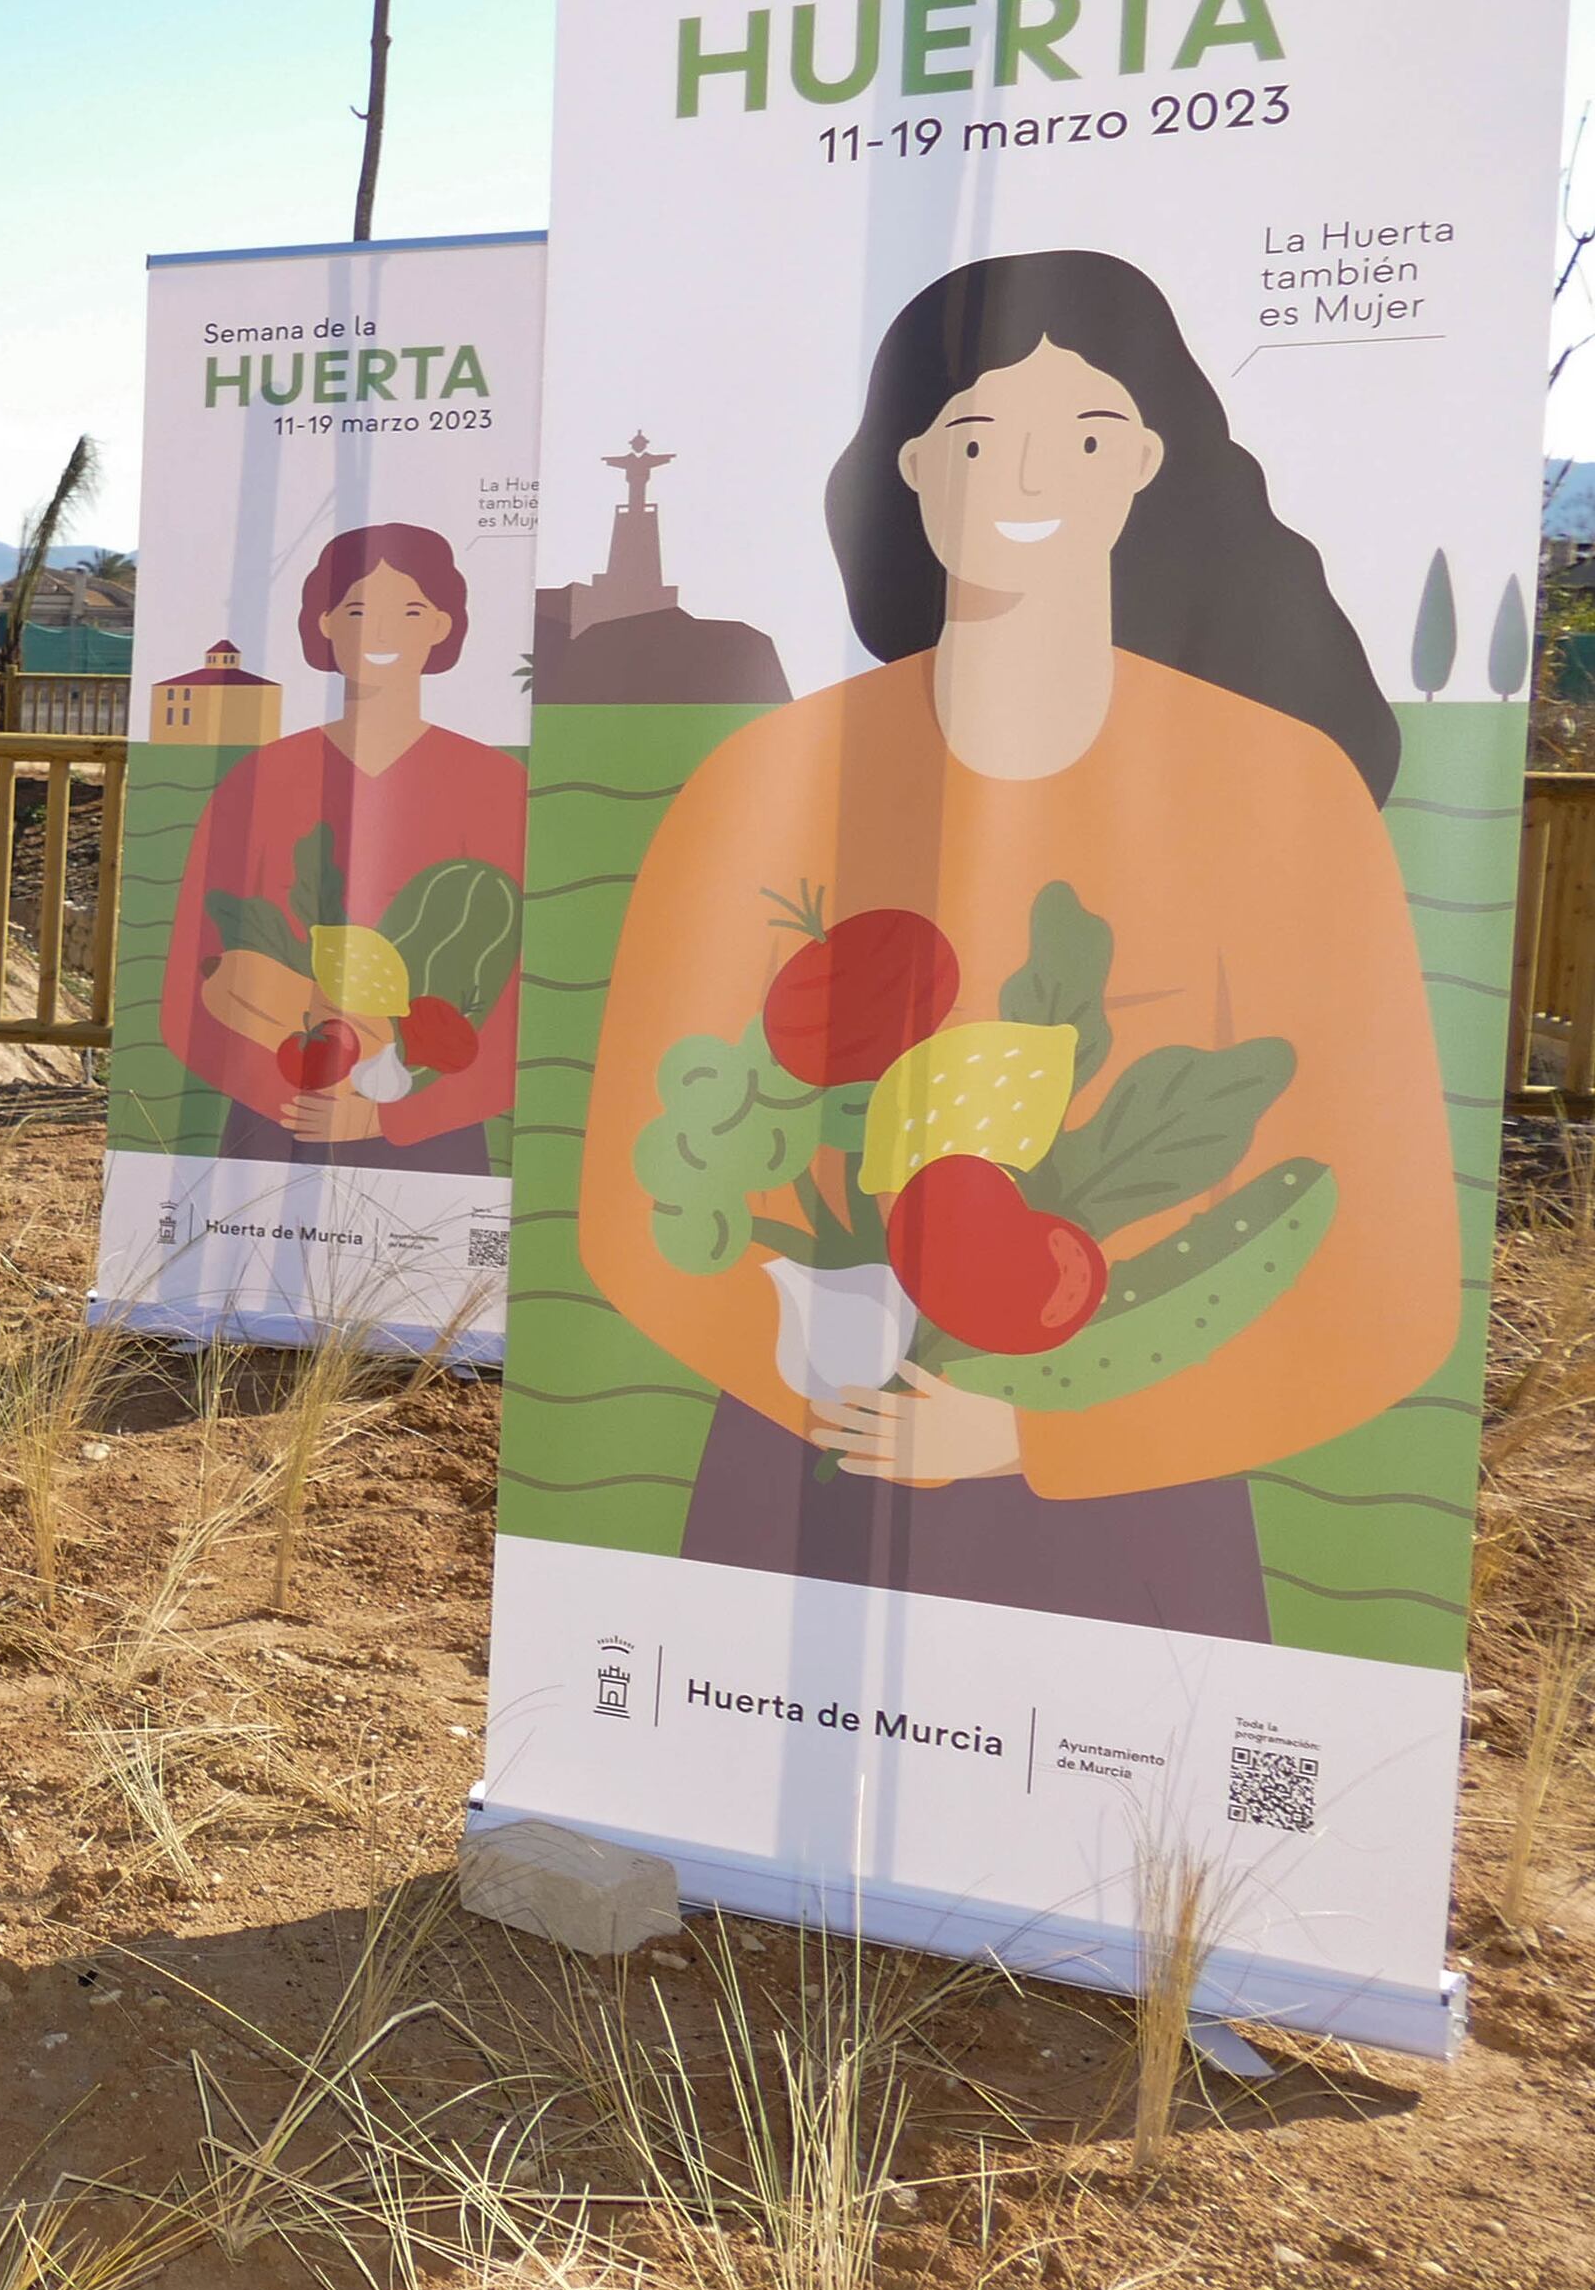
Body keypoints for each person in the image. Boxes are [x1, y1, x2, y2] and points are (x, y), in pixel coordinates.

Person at [581, 246, 1452, 1640]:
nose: (1026, 482)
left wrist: (1044, 1433)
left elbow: (1382, 1278)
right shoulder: (759, 787)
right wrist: (818, 1364)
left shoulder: (1285, 794)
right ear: (907, 469)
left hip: (1134, 1519)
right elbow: (638, 1199)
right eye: (977, 437)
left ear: (1148, 461)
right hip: (796, 1472)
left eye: (1086, 434)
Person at [156, 520, 523, 1172]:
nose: (379, 633)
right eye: (356, 609)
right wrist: (296, 1092)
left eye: (409, 610)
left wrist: (392, 1112)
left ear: (442, 624)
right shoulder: (257, 783)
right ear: (323, 622)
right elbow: (195, 984)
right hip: (273, 1130)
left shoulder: (496, 786)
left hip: (436, 1145)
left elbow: (515, 1001)